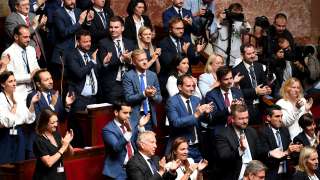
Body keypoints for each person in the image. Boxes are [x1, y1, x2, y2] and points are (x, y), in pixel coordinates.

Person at [166, 74, 213, 162]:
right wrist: (196, 115)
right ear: (180, 87)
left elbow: (204, 121)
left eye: (193, 86)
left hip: (198, 147)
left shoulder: (196, 99)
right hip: (181, 149)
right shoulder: (172, 102)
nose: (192, 89)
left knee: (199, 174)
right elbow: (175, 122)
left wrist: (206, 114)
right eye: (188, 86)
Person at [65, 29, 99, 147]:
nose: (88, 44)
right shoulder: (71, 55)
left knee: (92, 132)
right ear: (78, 42)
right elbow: (79, 73)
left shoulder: (90, 54)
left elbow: (96, 72)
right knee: (79, 131)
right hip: (78, 98)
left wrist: (102, 63)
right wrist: (92, 62)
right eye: (85, 42)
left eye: (89, 41)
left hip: (92, 99)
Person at [102, 101, 150, 179]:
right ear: (116, 112)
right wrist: (128, 132)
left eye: (129, 113)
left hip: (134, 168)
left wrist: (140, 127)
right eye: (125, 113)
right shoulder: (108, 129)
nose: (128, 116)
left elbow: (139, 142)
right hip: (118, 172)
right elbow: (116, 148)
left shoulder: (130, 124)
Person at [214, 103, 263, 180]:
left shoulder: (252, 131)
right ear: (232, 119)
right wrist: (241, 149)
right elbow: (224, 157)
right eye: (241, 119)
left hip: (253, 174)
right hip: (235, 175)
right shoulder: (222, 134)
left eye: (246, 118)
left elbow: (259, 152)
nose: (245, 121)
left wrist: (269, 153)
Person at [0, 71, 39, 164]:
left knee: (19, 164)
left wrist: (32, 104)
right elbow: (5, 122)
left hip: (19, 134)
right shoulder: (1, 98)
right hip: (5, 136)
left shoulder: (18, 96)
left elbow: (27, 118)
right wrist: (14, 107)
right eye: (10, 81)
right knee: (5, 165)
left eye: (14, 81)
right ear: (2, 84)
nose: (14, 84)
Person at [158, 17, 205, 93]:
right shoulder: (163, 43)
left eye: (182, 28)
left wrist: (197, 52)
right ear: (170, 30)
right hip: (171, 80)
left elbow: (194, 62)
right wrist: (183, 53)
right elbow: (169, 64)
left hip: (187, 80)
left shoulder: (185, 41)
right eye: (178, 29)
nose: (181, 31)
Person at [97, 16, 136, 104]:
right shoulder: (103, 43)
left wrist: (129, 60)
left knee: (129, 112)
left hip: (129, 84)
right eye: (111, 27)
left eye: (116, 27)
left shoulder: (130, 43)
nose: (113, 30)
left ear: (122, 28)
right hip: (112, 86)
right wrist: (121, 59)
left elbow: (136, 63)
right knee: (114, 112)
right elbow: (105, 64)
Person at [50, 0, 94, 79]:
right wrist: (79, 22)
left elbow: (82, 32)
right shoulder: (58, 13)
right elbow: (63, 33)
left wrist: (88, 22)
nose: (72, 1)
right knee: (64, 85)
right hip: (63, 55)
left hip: (76, 54)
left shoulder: (78, 11)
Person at [259, 104, 302, 180]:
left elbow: (289, 149)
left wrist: (296, 149)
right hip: (272, 173)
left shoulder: (284, 130)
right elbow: (264, 155)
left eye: (281, 116)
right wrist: (287, 152)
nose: (281, 119)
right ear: (269, 118)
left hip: (287, 172)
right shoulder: (263, 132)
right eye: (277, 116)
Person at [122, 49, 162, 130]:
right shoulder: (128, 76)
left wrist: (154, 95)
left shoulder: (152, 75)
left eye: (146, 59)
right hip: (135, 116)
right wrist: (144, 94)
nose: (144, 62)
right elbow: (128, 98)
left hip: (149, 115)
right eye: (141, 60)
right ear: (134, 62)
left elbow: (160, 99)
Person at [232, 44, 272, 125]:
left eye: (253, 53)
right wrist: (255, 91)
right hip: (246, 107)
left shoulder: (259, 66)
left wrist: (267, 89)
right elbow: (237, 92)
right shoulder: (236, 70)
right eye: (249, 54)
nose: (252, 56)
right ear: (242, 55)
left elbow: (263, 84)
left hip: (260, 106)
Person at [1, 24, 40, 103]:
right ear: (16, 37)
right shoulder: (8, 53)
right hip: (19, 94)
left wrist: (38, 72)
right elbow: (10, 77)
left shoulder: (31, 49)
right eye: (25, 37)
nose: (29, 39)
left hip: (34, 90)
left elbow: (36, 68)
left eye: (29, 37)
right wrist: (29, 76)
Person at [33, 109, 74, 180]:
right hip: (45, 177)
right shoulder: (39, 140)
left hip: (60, 176)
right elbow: (49, 163)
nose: (56, 125)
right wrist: (63, 147)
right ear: (44, 123)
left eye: (57, 121)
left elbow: (70, 154)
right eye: (52, 123)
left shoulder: (57, 134)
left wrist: (68, 143)